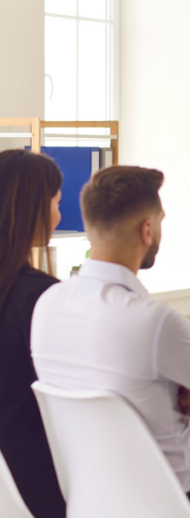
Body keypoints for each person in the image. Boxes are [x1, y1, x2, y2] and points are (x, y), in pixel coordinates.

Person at [31, 166, 190, 518]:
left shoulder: (46, 307)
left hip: (95, 502)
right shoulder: (153, 321)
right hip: (181, 502)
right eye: (160, 220)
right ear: (147, 230)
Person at [0, 149, 66, 518]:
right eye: (56, 203)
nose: (59, 214)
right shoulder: (41, 295)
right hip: (38, 477)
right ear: (33, 209)